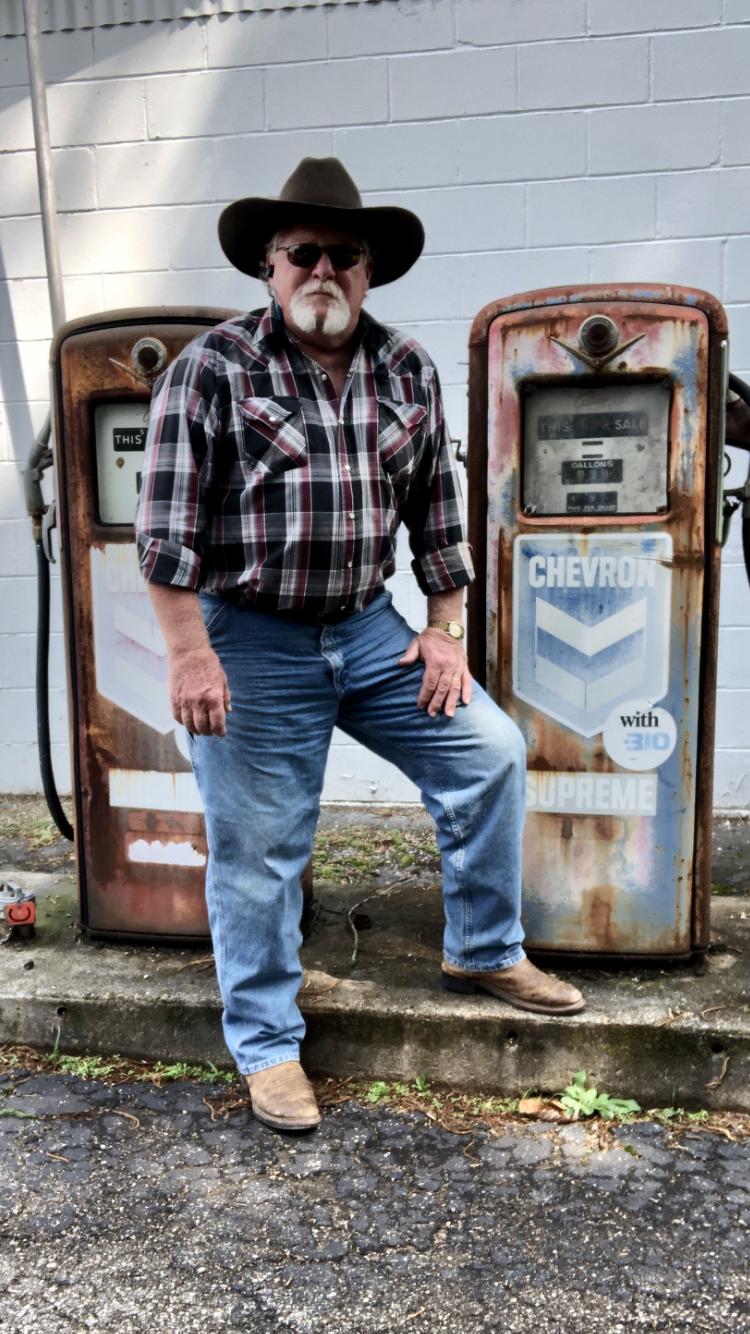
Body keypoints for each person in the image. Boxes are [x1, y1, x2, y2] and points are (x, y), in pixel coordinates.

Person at [135, 157, 584, 1134]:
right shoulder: (210, 370)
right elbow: (164, 536)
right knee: (259, 848)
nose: (324, 270)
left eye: (344, 255)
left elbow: (438, 521)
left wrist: (446, 631)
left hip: (369, 628)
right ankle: (267, 1044)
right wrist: (189, 654)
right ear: (270, 265)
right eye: (305, 253)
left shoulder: (407, 368)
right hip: (250, 637)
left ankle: (484, 946)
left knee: (489, 752)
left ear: (368, 270)